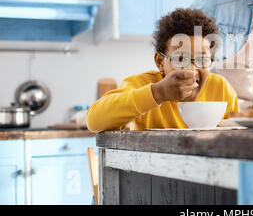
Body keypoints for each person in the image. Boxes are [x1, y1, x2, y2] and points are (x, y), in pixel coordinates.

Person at [86, 8, 239, 131]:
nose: (191, 70)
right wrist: (158, 93)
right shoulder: (142, 85)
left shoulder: (221, 89)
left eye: (202, 59)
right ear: (160, 61)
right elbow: (94, 121)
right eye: (181, 59)